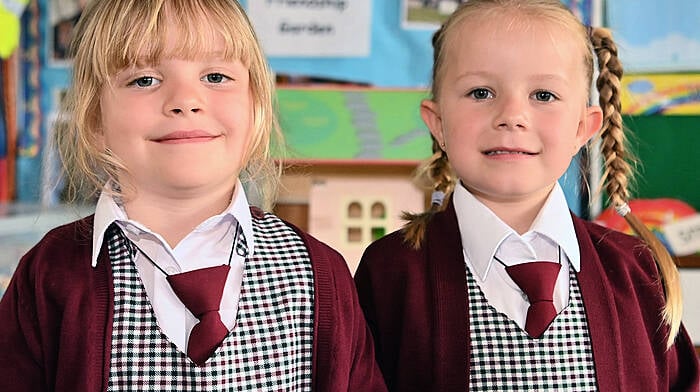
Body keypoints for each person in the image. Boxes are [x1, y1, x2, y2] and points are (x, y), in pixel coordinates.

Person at [0, 1, 386, 391]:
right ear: (95, 119)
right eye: (145, 80)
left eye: (216, 76)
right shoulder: (47, 276)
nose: (185, 101)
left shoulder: (321, 275)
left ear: (256, 108)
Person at [354, 1, 699, 390]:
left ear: (583, 129)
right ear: (438, 124)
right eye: (481, 92)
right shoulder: (390, 272)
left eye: (544, 95)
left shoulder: (636, 271)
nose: (512, 115)